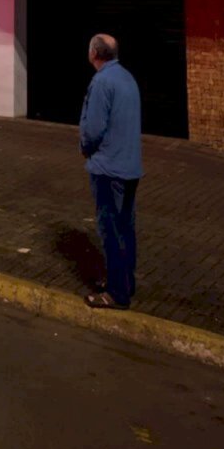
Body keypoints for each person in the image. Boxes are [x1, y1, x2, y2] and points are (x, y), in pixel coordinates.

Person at [79, 33, 143, 310]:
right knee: (126, 228)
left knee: (110, 230)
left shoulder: (102, 81)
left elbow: (93, 128)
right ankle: (125, 281)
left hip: (108, 167)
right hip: (130, 167)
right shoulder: (127, 78)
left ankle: (117, 294)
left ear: (94, 53)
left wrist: (85, 147)